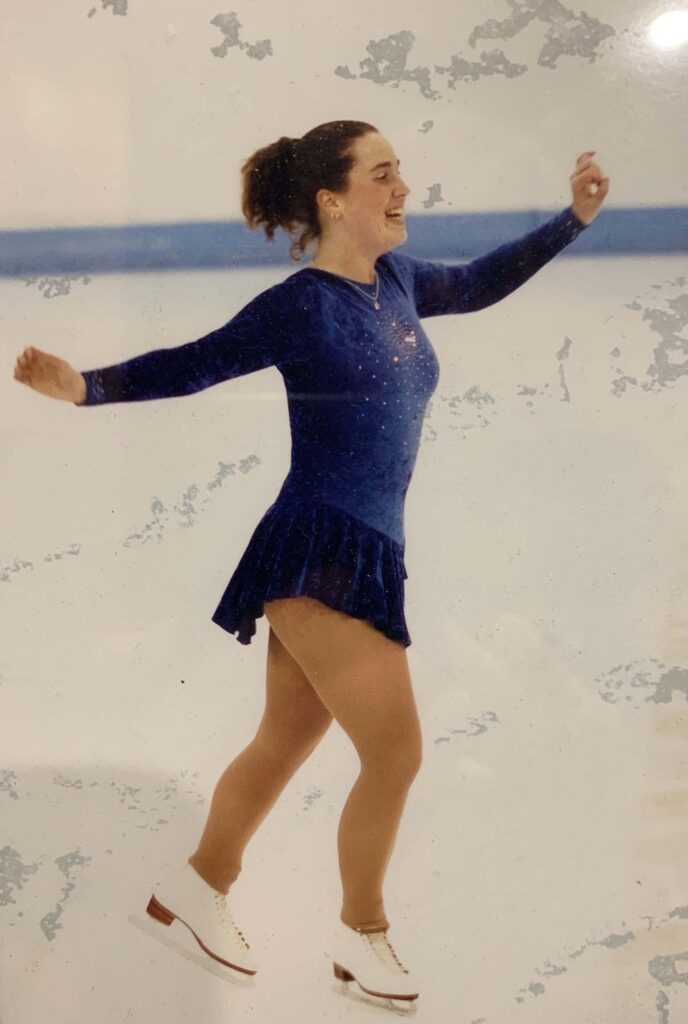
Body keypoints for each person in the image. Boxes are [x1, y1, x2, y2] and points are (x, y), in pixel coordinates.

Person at [13, 120, 609, 1003]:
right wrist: (86, 387)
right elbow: (196, 364)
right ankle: (362, 934)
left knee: (285, 739)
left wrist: (574, 220)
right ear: (334, 199)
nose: (402, 186)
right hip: (320, 546)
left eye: (401, 170)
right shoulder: (302, 306)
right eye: (382, 174)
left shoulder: (400, 280)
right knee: (397, 752)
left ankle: (195, 887)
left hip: (367, 549)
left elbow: (479, 284)